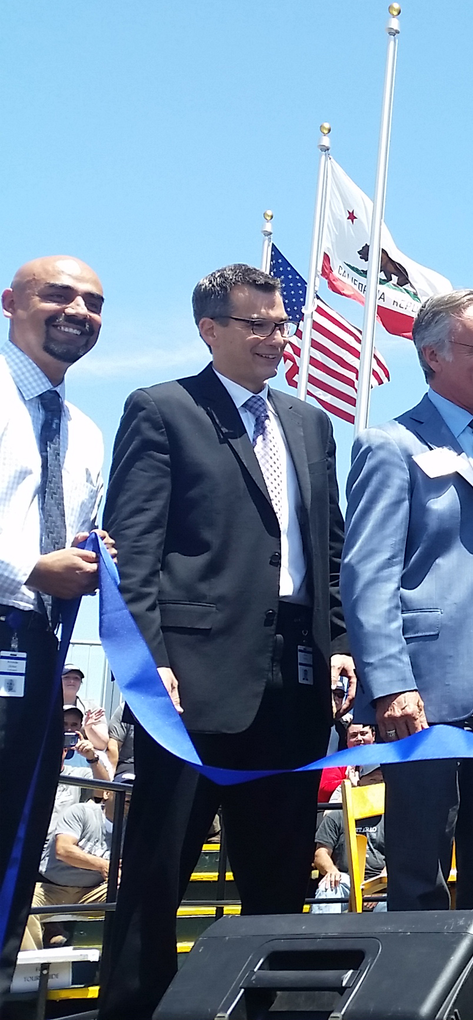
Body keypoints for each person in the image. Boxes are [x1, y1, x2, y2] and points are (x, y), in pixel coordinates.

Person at [100, 264, 352, 1019]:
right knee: (159, 871)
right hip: (191, 681)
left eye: (283, 325)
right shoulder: (163, 410)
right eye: (259, 326)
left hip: (295, 680)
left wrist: (340, 640)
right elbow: (135, 551)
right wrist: (150, 663)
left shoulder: (310, 424)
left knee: (279, 878)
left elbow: (328, 549)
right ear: (210, 330)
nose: (278, 339)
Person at [343, 288, 473, 933]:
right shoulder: (390, 444)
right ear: (432, 356)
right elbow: (368, 572)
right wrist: (391, 683)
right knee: (421, 856)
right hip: (426, 682)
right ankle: (419, 981)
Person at [0, 256, 108, 988]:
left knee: (18, 831)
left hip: (40, 651)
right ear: (10, 302)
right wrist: (28, 568)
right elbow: (36, 559)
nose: (78, 311)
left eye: (94, 303)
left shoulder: (87, 433)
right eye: (58, 295)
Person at [23, 787, 116, 951]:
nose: (129, 796)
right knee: (21, 906)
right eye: (124, 790)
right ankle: (31, 964)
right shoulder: (82, 812)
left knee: (135, 896)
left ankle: (124, 961)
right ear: (107, 793)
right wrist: (103, 865)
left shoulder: (133, 825)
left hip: (93, 892)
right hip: (50, 889)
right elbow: (63, 850)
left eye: (133, 791)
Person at [313, 772, 386, 913]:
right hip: (345, 879)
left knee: (393, 903)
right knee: (328, 888)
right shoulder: (336, 816)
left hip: (380, 882)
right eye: (372, 780)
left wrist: (380, 885)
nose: (377, 785)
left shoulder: (391, 818)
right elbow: (320, 853)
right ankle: (324, 928)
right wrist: (331, 870)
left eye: (381, 781)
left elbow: (399, 858)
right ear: (359, 782)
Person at [52, 706, 110, 815]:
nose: (69, 729)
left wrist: (92, 758)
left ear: (80, 726)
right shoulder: (42, 751)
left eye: (74, 725)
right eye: (64, 724)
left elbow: (103, 791)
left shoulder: (88, 754)